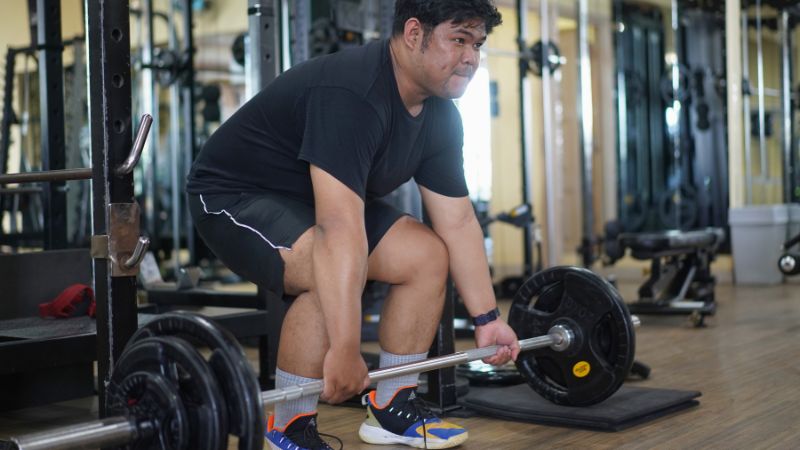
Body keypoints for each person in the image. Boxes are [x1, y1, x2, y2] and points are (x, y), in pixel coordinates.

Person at [186, 1, 519, 448]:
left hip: (314, 201)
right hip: (234, 195)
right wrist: (344, 349)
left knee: (425, 255)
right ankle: (289, 426)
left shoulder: (440, 115)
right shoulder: (353, 93)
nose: (471, 58)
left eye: (477, 44)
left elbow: (457, 221)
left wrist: (488, 318)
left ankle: (391, 406)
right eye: (459, 40)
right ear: (414, 34)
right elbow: (339, 230)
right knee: (330, 268)